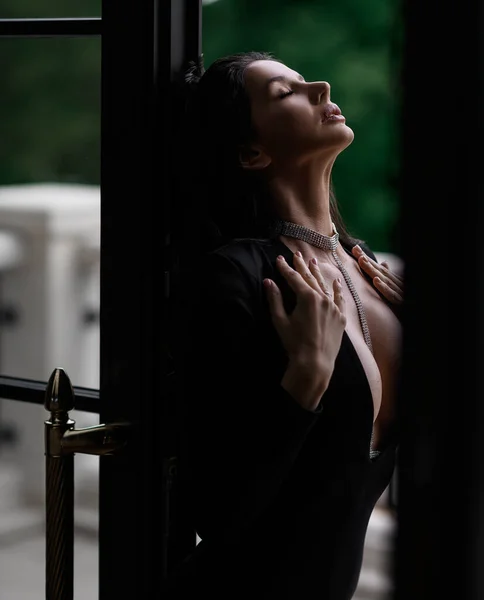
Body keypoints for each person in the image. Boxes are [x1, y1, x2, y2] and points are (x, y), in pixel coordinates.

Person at [168, 50, 404, 600]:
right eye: (284, 92)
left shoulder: (365, 267)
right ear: (251, 152)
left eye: (304, 81)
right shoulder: (240, 277)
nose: (320, 86)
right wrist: (305, 379)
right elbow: (218, 513)